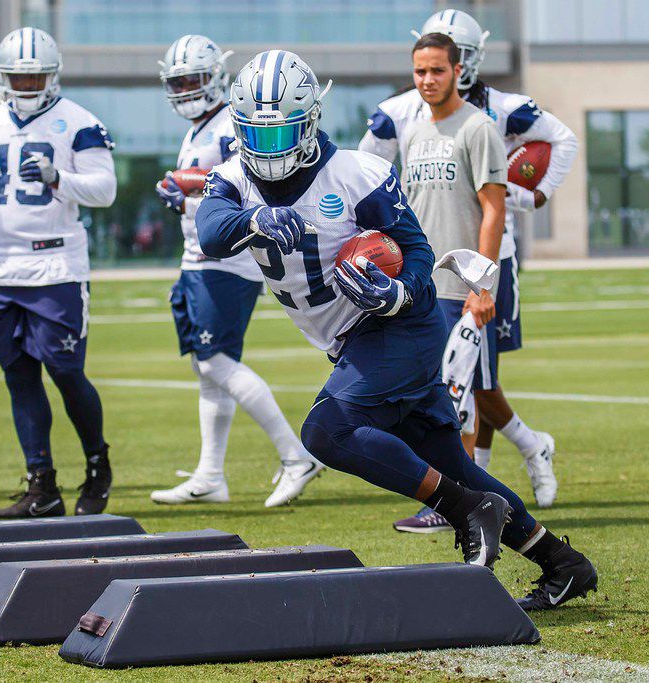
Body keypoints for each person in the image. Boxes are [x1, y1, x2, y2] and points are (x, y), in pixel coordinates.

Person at [196, 49, 597, 611]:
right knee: (452, 462)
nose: (269, 151)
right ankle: (562, 562)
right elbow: (211, 231)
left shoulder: (357, 174)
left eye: (281, 133)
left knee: (326, 432)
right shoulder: (234, 179)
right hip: (352, 341)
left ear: (309, 121)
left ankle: (462, 509)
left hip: (397, 327)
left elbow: (417, 258)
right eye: (256, 138)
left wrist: (398, 291)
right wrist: (254, 218)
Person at [360, 9, 578, 517]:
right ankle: (516, 457)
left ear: (460, 67)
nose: (429, 78)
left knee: (465, 386)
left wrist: (534, 196)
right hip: (424, 275)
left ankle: (470, 496)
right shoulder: (404, 118)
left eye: (440, 68)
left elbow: (508, 192)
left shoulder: (490, 118)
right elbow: (368, 172)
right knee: (459, 386)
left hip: (479, 269)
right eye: (421, 70)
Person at [151, 34, 323, 507]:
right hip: (200, 257)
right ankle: (211, 475)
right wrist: (185, 198)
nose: (186, 89)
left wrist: (189, 192)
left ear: (217, 77)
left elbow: (250, 181)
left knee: (215, 361)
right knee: (205, 369)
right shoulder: (198, 128)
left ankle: (296, 455)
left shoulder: (231, 122)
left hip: (228, 259)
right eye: (179, 81)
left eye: (194, 79)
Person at [0, 28, 116, 518]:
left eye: (35, 75)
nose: (27, 84)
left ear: (53, 75)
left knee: (67, 372)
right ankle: (42, 485)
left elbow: (105, 190)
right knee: (18, 375)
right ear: (2, 76)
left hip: (55, 265)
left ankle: (98, 464)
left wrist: (59, 178)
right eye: (18, 75)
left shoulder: (79, 122)